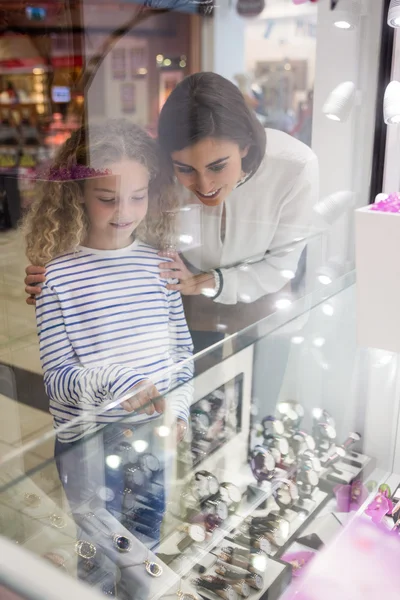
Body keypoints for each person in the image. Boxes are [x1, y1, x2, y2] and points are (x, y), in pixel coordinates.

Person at [25, 72, 318, 348]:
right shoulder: (158, 167)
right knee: (196, 389)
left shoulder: (295, 166)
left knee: (258, 394)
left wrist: (204, 282)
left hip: (265, 303)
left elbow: (282, 264)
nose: (204, 185)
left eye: (217, 166)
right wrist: (61, 274)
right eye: (186, 169)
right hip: (183, 299)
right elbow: (112, 221)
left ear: (245, 146)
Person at [22, 119, 193, 515]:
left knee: (146, 546)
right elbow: (58, 382)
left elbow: (181, 354)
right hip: (90, 442)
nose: (124, 212)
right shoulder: (56, 277)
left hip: (153, 433)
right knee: (97, 557)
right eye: (106, 197)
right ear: (77, 194)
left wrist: (180, 410)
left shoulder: (160, 265)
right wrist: (121, 381)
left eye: (138, 196)